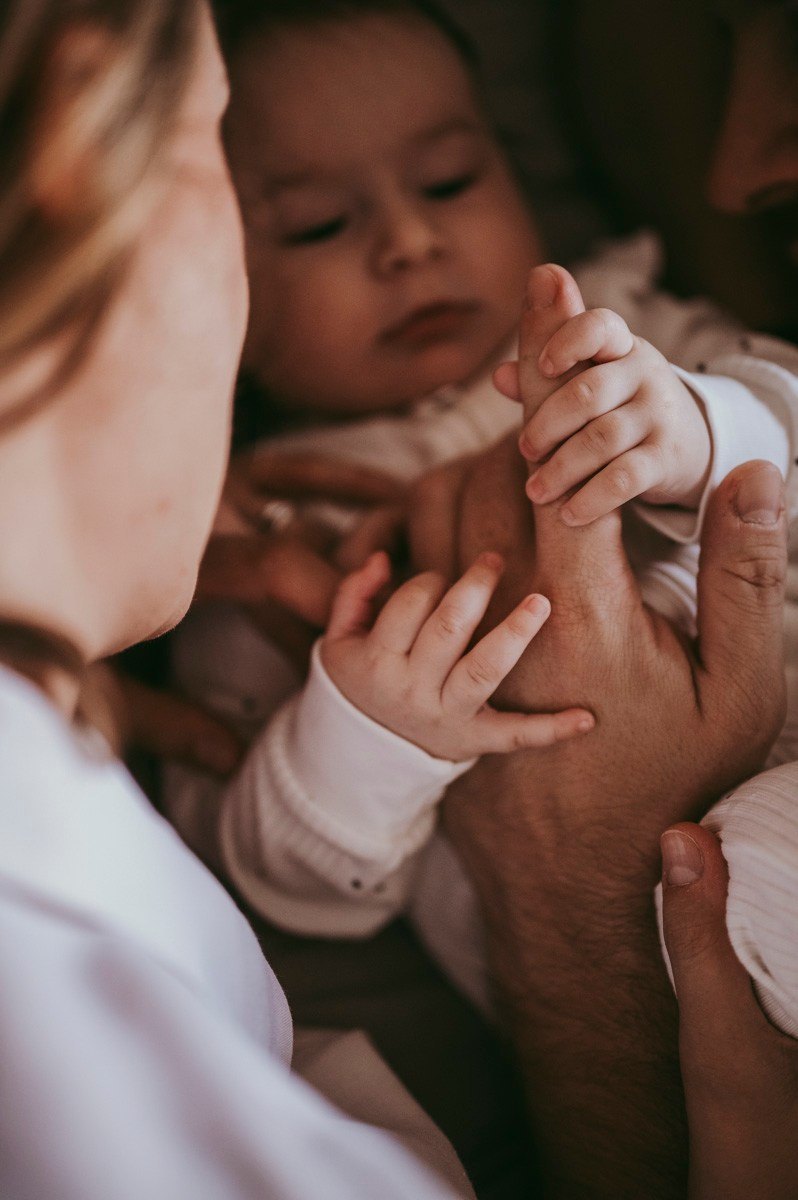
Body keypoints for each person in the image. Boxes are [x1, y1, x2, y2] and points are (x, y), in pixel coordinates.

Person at [165, 0, 798, 1016]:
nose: (410, 242)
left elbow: (787, 421)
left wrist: (697, 430)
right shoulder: (250, 534)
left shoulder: (623, 330)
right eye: (318, 225)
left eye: (451, 180)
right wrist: (367, 731)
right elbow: (273, 884)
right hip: (649, 962)